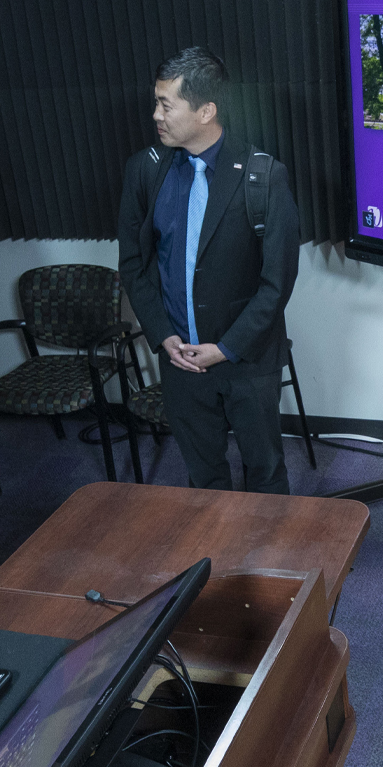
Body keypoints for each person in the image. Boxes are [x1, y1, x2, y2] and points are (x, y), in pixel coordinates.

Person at [117, 47, 300, 494]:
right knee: (204, 480)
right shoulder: (145, 170)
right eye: (155, 102)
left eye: (165, 104)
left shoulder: (264, 176)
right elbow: (134, 264)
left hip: (247, 361)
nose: (155, 114)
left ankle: (271, 561)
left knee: (266, 475)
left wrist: (227, 347)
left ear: (206, 111)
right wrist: (163, 335)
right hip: (180, 361)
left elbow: (277, 285)